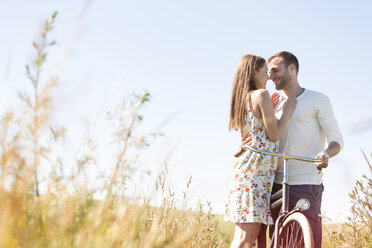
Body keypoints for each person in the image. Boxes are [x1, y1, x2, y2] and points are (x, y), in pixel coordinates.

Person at [238, 51, 343, 248]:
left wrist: (327, 154)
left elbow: (337, 140)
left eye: (276, 70)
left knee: (306, 241)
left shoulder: (317, 99)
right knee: (275, 241)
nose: (270, 76)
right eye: (268, 72)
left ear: (292, 69)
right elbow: (261, 133)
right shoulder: (273, 102)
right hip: (273, 183)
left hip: (305, 182)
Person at [224, 54, 297, 248]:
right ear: (254, 72)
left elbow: (255, 135)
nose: (268, 77)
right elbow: (274, 136)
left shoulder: (243, 98)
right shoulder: (261, 95)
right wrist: (287, 113)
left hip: (246, 171)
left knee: (241, 237)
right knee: (246, 239)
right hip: (256, 174)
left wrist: (270, 111)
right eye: (265, 72)